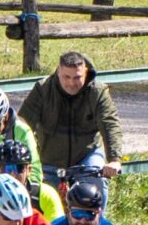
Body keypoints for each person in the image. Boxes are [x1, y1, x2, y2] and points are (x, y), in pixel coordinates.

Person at [22, 50, 124, 186]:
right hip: (49, 161)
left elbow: (110, 124)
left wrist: (114, 159)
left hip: (86, 157)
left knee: (96, 186)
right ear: (58, 71)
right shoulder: (43, 89)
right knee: (39, 199)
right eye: (66, 77)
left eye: (77, 77)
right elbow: (22, 125)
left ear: (86, 72)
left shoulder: (97, 92)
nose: (71, 83)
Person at [0, 135, 65, 224]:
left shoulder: (45, 195)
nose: (12, 174)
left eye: (19, 168)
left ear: (29, 170)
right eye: (6, 169)